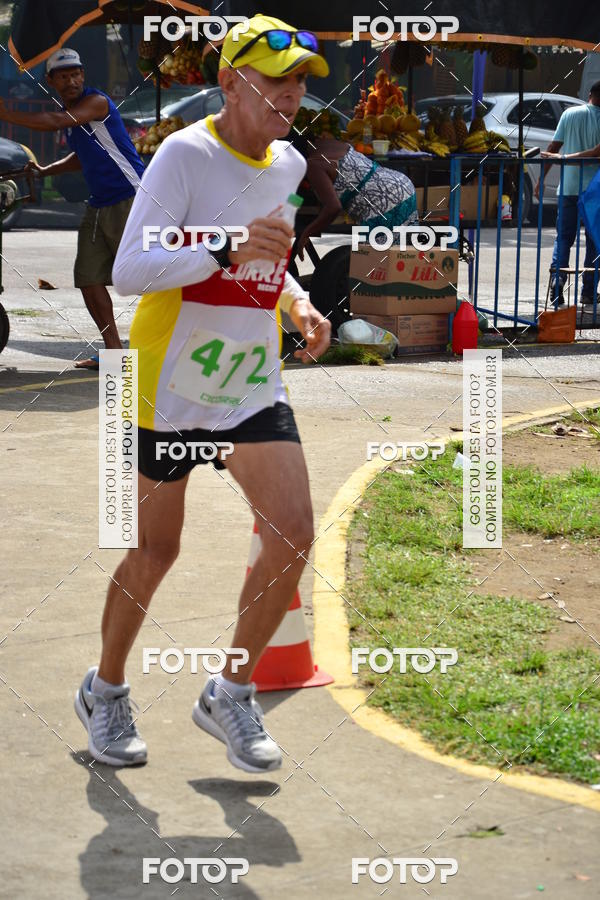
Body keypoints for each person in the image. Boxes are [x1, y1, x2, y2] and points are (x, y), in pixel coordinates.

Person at [74, 14, 331, 772]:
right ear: (229, 81)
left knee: (293, 531)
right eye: (274, 78)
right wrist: (219, 246)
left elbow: (268, 257)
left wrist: (295, 301)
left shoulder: (285, 163)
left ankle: (230, 692)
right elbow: (131, 270)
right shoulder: (185, 154)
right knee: (157, 549)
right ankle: (106, 691)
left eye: (298, 82)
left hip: (250, 377)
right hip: (172, 381)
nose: (288, 95)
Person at [0, 48, 145, 367]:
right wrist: (46, 170)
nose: (72, 80)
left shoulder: (96, 102)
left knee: (147, 277)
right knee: (88, 276)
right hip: (99, 202)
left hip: (130, 197)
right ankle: (115, 351)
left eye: (76, 73)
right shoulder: (72, 112)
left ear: (83, 75)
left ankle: (176, 342)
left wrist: (7, 114)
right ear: (51, 81)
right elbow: (82, 156)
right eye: (63, 76)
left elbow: (54, 121)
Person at [291, 133, 418, 259]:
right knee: (403, 254)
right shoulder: (333, 143)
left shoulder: (313, 164)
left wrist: (307, 233)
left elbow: (333, 207)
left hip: (382, 200)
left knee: (372, 261)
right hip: (402, 184)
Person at [536, 81, 600, 305]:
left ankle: (557, 286)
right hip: (595, 192)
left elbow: (552, 149)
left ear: (589, 94)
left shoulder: (570, 113)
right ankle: (588, 291)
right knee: (594, 241)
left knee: (564, 238)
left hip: (569, 187)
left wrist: (540, 180)